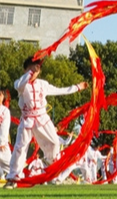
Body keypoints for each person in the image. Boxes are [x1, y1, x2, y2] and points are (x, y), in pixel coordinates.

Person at [4, 57, 88, 189]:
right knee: (20, 148)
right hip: (27, 120)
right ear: (25, 69)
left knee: (55, 142)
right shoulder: (19, 83)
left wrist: (77, 87)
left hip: (43, 119)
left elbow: (59, 90)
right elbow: (20, 85)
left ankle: (51, 167)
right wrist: (30, 73)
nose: (34, 72)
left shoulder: (43, 84)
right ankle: (13, 178)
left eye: (36, 70)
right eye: (31, 69)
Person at [0, 90, 12, 179]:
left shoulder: (5, 110)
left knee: (10, 166)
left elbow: (5, 127)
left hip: (2, 144)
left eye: (0, 94)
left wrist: (2, 142)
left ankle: (18, 179)